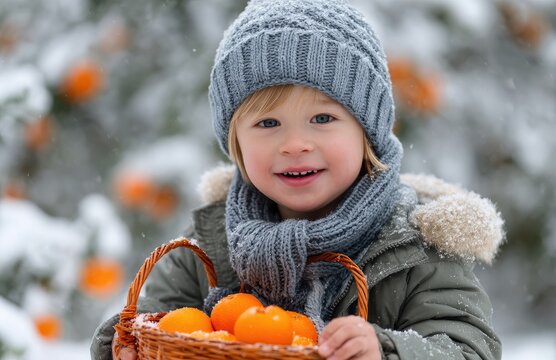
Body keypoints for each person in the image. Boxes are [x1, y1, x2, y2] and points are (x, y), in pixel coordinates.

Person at [91, 0, 505, 359]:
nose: (294, 144)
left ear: (368, 132)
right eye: (268, 122)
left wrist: (386, 351)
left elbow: (469, 348)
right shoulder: (214, 239)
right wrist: (124, 344)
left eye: (322, 118)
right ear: (235, 143)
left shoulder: (413, 246)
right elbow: (157, 318)